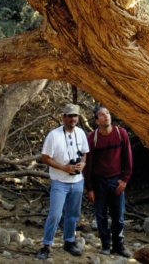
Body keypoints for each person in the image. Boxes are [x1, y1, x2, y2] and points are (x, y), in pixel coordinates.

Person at [36, 104, 89, 260]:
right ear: (63, 117)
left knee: (72, 214)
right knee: (55, 214)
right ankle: (46, 245)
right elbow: (45, 157)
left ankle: (69, 242)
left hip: (77, 181)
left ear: (78, 118)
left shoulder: (81, 133)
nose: (73, 119)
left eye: (75, 116)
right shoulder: (54, 135)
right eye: (70, 116)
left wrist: (83, 164)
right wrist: (63, 167)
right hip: (60, 181)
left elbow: (85, 153)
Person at [83, 106, 132, 257]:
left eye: (108, 114)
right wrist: (89, 189)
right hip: (99, 182)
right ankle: (105, 244)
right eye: (102, 115)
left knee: (118, 216)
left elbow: (128, 159)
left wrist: (124, 180)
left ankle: (119, 245)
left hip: (116, 180)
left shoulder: (120, 133)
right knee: (101, 215)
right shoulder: (92, 138)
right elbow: (88, 165)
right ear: (97, 121)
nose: (106, 116)